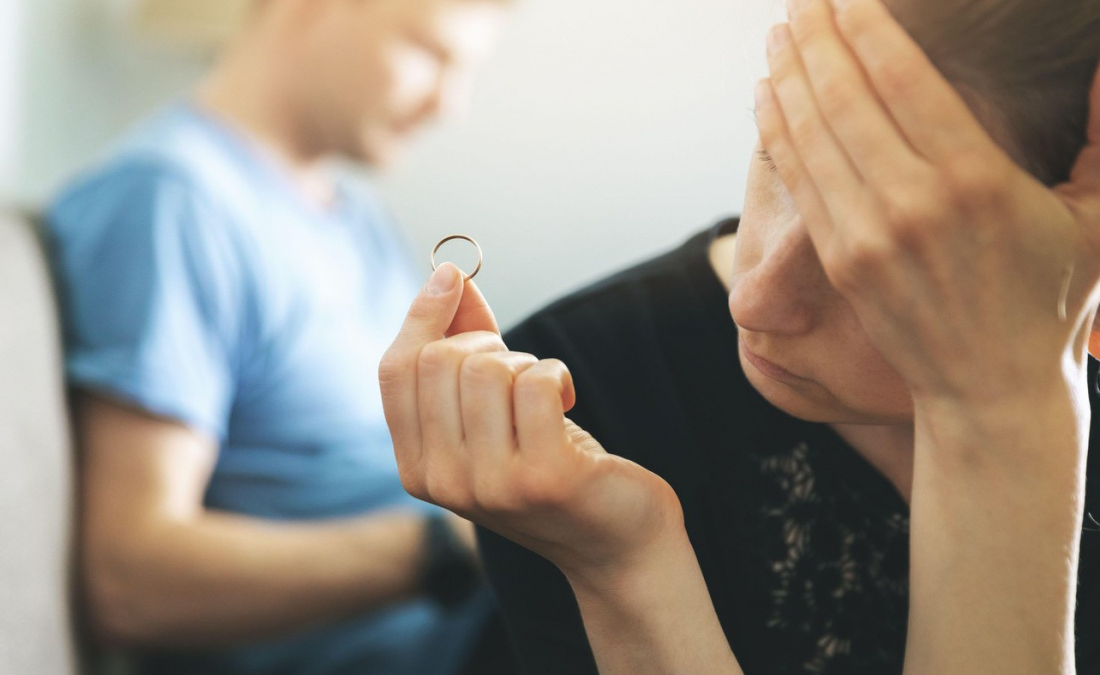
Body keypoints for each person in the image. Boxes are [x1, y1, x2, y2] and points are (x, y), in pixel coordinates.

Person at [378, 0, 1100, 672]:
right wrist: (620, 573)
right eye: (777, 158)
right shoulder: (578, 397)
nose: (753, 301)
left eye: (891, 252)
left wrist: (1011, 413)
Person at [44, 0, 514, 673]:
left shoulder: (356, 218)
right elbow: (127, 579)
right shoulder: (171, 200)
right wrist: (452, 547)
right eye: (428, 52)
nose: (449, 105)